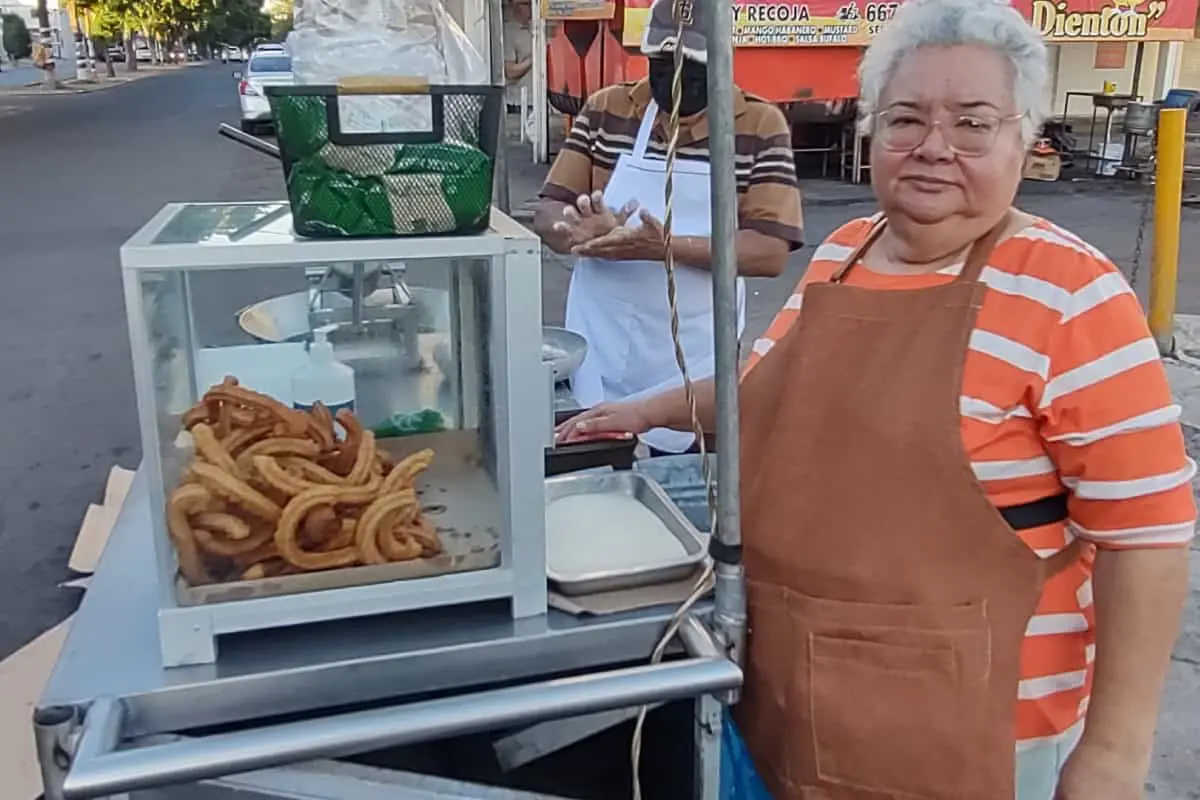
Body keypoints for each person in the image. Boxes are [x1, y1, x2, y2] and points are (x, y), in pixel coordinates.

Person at [556, 0, 1195, 796]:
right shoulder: (844, 253)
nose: (933, 147)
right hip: (792, 701)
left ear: (1025, 140)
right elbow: (772, 390)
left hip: (977, 737)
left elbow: (1149, 539)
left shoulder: (1072, 294)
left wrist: (1113, 756)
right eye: (906, 119)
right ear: (870, 132)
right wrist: (649, 410)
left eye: (973, 123)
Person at [533, 0, 803, 457]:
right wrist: (574, 231)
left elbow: (769, 252)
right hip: (601, 342)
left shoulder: (757, 124)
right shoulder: (608, 109)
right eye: (663, 63)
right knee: (596, 464)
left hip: (694, 360)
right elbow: (548, 209)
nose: (676, 80)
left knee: (688, 486)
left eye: (694, 66)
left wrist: (665, 248)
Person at [504, 0, 534, 114]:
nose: (531, 8)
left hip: (537, 100)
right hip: (518, 104)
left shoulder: (533, 29)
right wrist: (534, 59)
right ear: (514, 7)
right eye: (526, 4)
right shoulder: (509, 32)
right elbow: (510, 71)